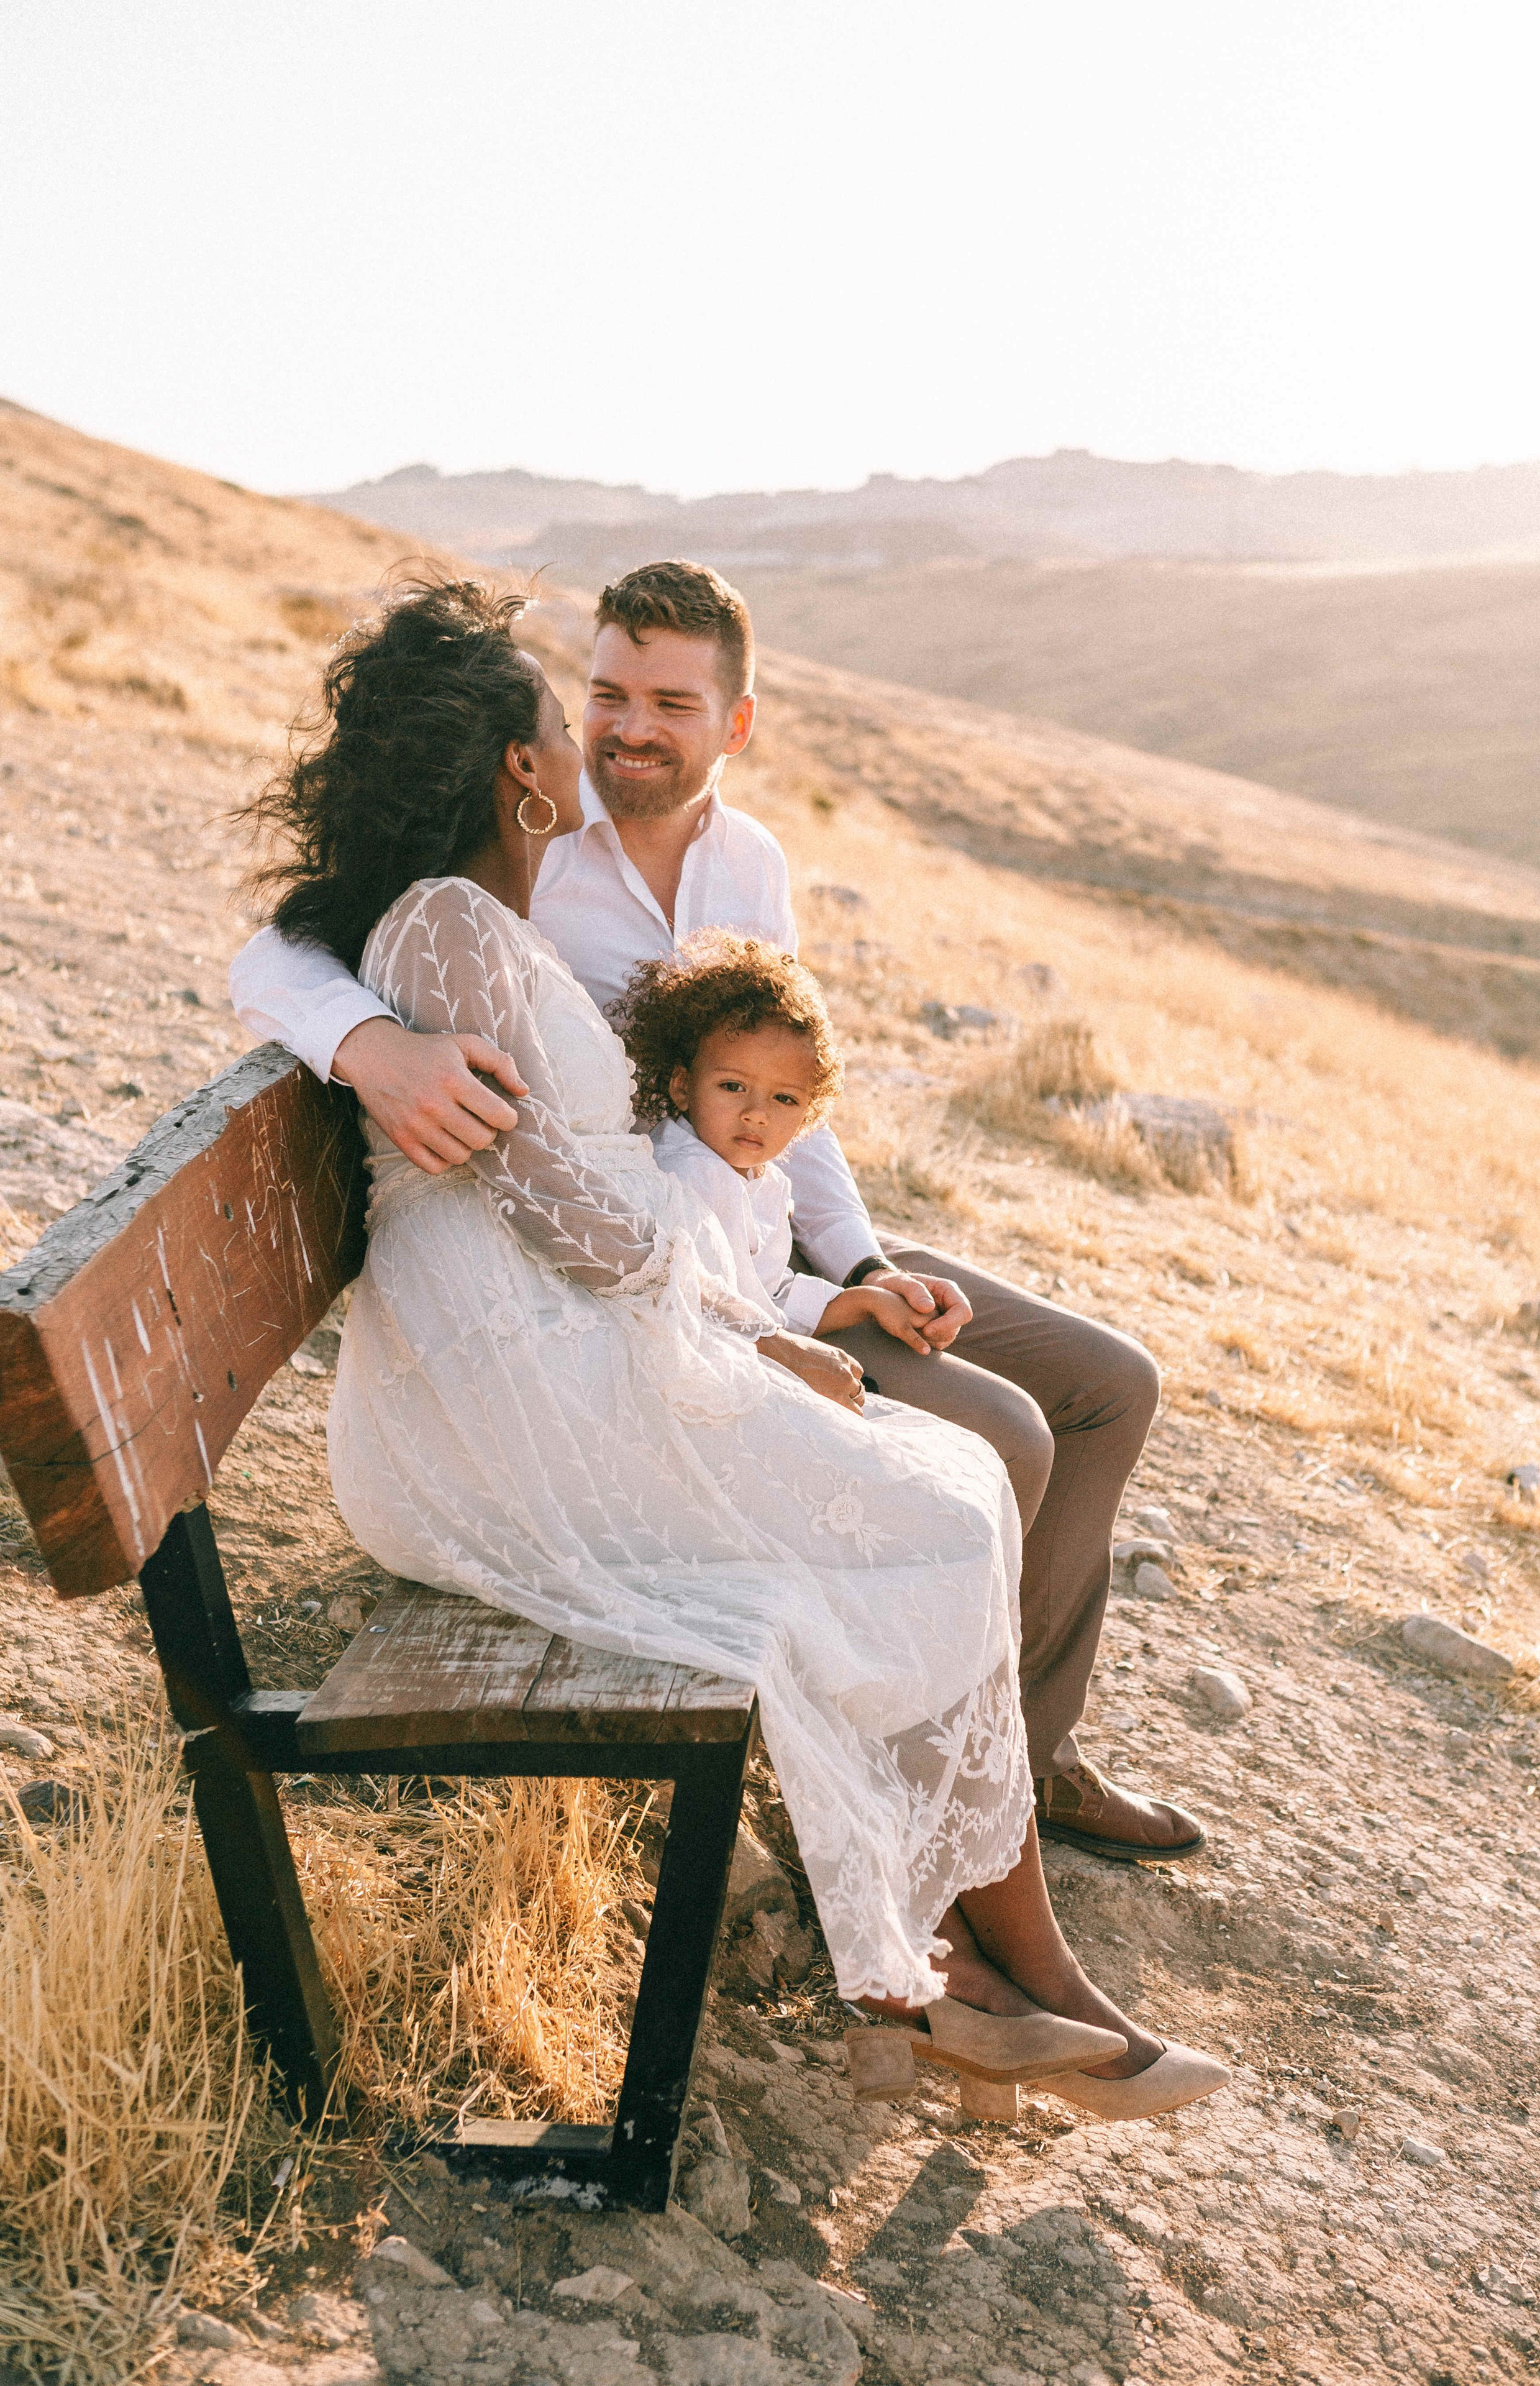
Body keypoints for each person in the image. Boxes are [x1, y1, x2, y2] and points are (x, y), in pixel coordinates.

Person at [237, 574, 1227, 2121]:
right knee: (953, 1488)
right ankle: (977, 1970)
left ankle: (966, 1934)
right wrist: (758, 1336)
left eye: (653, 705)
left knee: (1000, 1451)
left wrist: (849, 1271)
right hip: (547, 1366)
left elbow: (743, 1125)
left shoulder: (666, 872)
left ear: (730, 724)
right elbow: (557, 1198)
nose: (605, 732)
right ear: (519, 762)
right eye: (581, 707)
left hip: (655, 1291)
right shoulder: (455, 919)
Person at [613, 929, 942, 1355]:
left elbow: (769, 1293)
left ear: (809, 1113)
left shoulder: (760, 1179)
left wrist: (865, 1299)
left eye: (784, 1099)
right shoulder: (692, 1174)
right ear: (682, 1086)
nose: (757, 1113)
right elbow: (729, 1315)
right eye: (732, 1086)